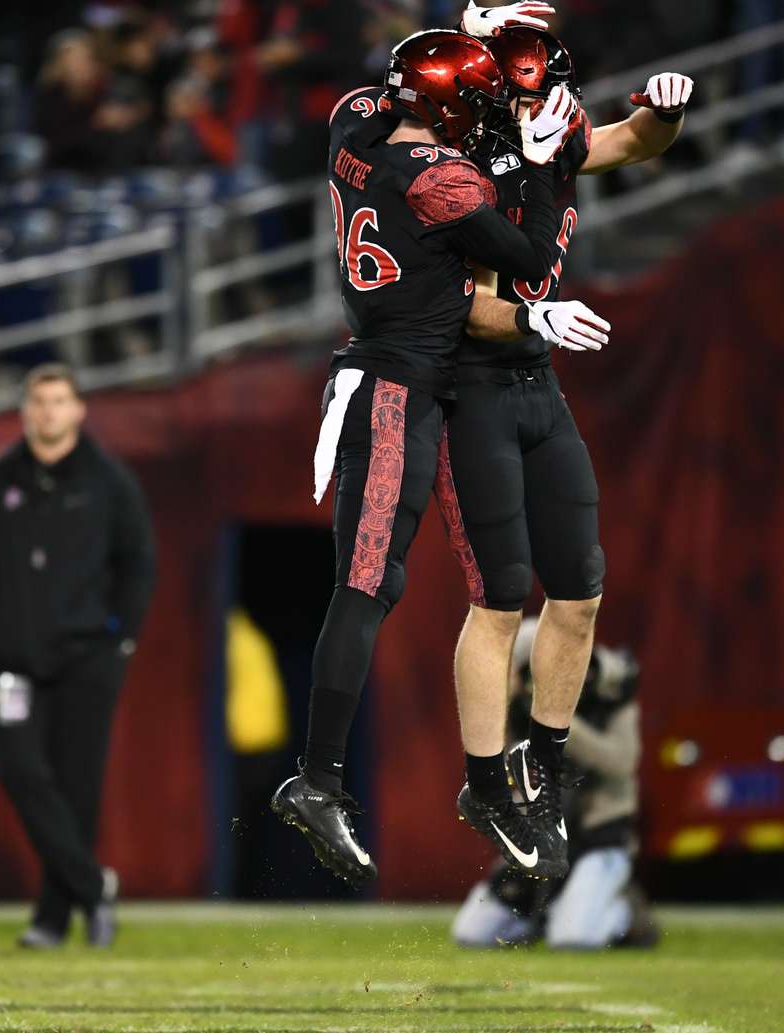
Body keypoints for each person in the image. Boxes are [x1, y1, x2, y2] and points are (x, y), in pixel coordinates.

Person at [270, 23, 591, 886]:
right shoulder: (441, 177)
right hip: (393, 386)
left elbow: (390, 107)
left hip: (393, 378)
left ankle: (336, 779)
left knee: (383, 581)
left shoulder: (354, 124)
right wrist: (533, 164)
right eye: (474, 101)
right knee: (370, 581)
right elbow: (526, 257)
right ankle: (320, 779)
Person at [436, 12, 693, 877]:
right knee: (501, 598)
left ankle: (538, 764)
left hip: (536, 383)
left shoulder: (553, 119)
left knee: (579, 591)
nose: (540, 96)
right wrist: (535, 306)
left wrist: (664, 114)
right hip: (469, 383)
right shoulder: (454, 158)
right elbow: (464, 302)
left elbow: (627, 143)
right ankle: (485, 778)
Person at [0, 363, 155, 948]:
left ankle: (52, 917)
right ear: (25, 411)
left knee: (78, 787)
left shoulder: (109, 481)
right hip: (11, 658)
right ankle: (95, 890)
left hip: (89, 657)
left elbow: (138, 563)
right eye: (39, 401)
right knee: (21, 771)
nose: (48, 412)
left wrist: (122, 638)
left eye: (59, 401)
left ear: (78, 410)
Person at [452, 617, 655, 949]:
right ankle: (551, 913)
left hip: (596, 837)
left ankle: (625, 913)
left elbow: (621, 762)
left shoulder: (611, 692)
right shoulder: (516, 710)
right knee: (473, 932)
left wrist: (555, 723)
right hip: (542, 838)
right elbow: (504, 780)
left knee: (574, 938)